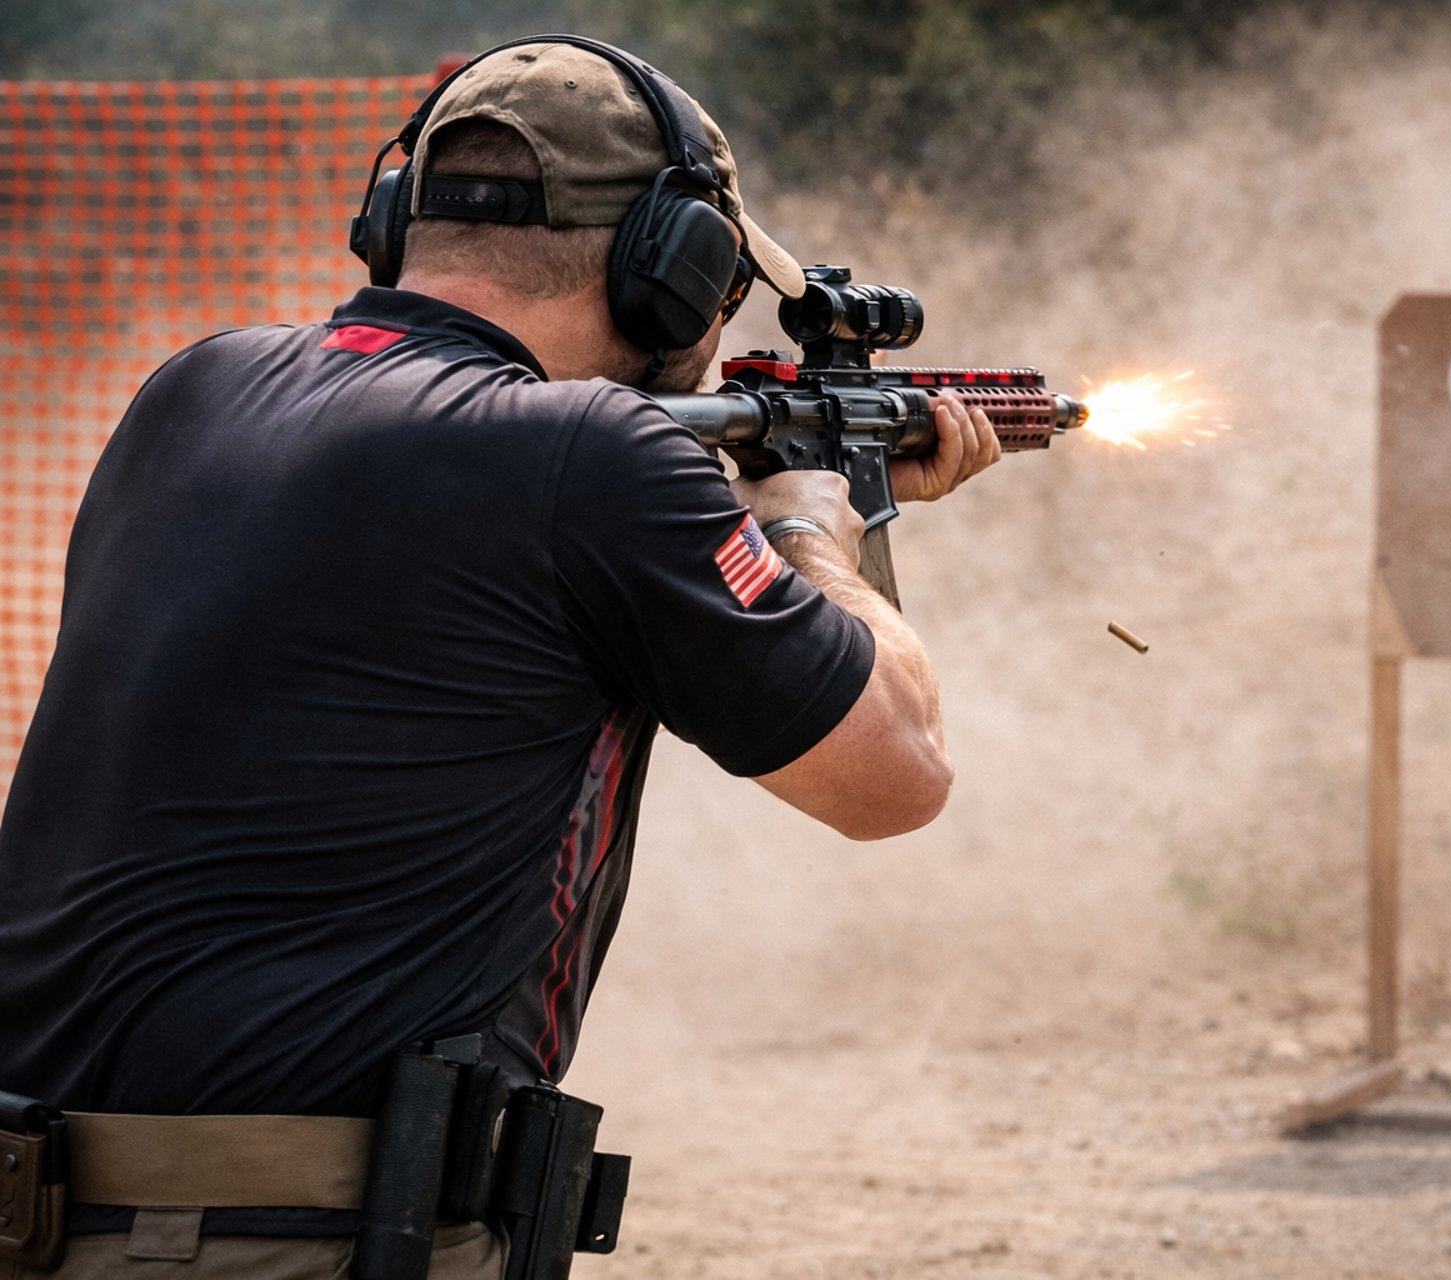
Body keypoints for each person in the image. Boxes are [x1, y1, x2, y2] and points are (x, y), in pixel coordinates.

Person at [0, 35, 999, 1279]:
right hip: (298, 1238)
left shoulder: (192, 392)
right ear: (669, 272)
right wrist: (812, 523)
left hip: (32, 1213)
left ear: (392, 222)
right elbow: (896, 776)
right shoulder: (593, 457)